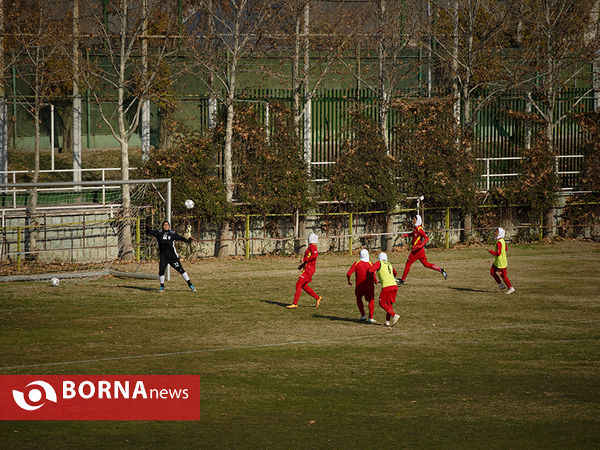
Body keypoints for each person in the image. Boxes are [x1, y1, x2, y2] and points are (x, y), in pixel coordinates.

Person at [146, 220, 196, 293]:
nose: (166, 226)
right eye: (164, 225)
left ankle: (190, 285)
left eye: (167, 225)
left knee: (181, 270)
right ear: (162, 226)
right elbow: (149, 231)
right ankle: (162, 287)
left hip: (173, 257)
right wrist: (147, 226)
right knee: (161, 272)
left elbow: (180, 238)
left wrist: (188, 240)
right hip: (163, 256)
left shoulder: (172, 233)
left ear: (169, 226)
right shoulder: (159, 233)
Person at [398, 214, 447, 284]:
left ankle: (402, 280)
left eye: (414, 219)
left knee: (408, 263)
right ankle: (441, 270)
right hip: (419, 251)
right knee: (426, 264)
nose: (412, 220)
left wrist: (420, 245)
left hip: (417, 250)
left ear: (417, 220)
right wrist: (406, 235)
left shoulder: (419, 229)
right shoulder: (416, 228)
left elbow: (427, 238)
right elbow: (414, 234)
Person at [287, 233, 322, 309]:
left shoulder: (312, 247)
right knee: (304, 286)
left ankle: (295, 303)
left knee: (298, 284)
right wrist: (302, 265)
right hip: (308, 268)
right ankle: (317, 298)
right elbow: (309, 258)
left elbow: (315, 255)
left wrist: (306, 260)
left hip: (309, 270)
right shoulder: (311, 246)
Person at [368, 252, 401, 327]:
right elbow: (395, 274)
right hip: (394, 286)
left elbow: (370, 270)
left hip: (387, 286)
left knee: (381, 303)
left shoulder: (379, 263)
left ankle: (394, 315)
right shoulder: (389, 264)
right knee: (389, 304)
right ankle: (387, 322)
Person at [346, 249, 377, 323]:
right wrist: (375, 281)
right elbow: (373, 275)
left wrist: (349, 280)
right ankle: (371, 318)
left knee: (359, 299)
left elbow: (348, 273)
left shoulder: (356, 263)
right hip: (369, 286)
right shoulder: (371, 264)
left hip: (359, 286)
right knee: (371, 300)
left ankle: (363, 315)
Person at [488, 227, 515, 295]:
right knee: (492, 272)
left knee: (503, 275)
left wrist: (491, 251)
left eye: (496, 232)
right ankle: (501, 285)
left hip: (501, 262)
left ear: (499, 233)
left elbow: (498, 253)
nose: (495, 233)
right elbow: (505, 249)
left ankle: (511, 288)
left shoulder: (499, 242)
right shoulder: (501, 240)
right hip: (497, 261)